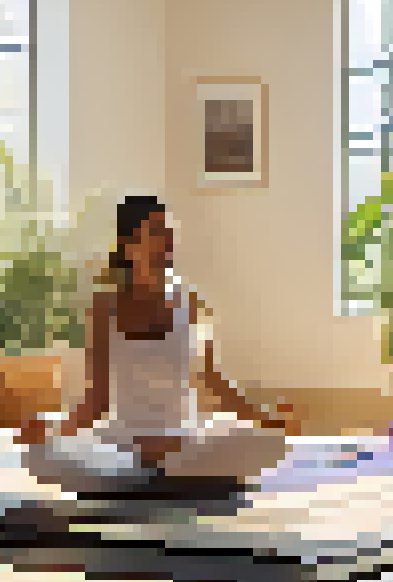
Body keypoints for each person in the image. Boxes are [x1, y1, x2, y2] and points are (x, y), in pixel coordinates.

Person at [16, 195, 297, 505]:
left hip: (186, 443)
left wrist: (266, 420)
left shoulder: (190, 302)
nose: (167, 245)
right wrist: (53, 430)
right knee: (40, 454)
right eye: (157, 234)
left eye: (169, 235)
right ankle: (159, 476)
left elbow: (214, 382)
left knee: (265, 444)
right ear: (129, 245)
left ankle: (152, 476)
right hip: (125, 444)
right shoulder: (103, 307)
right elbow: (95, 401)